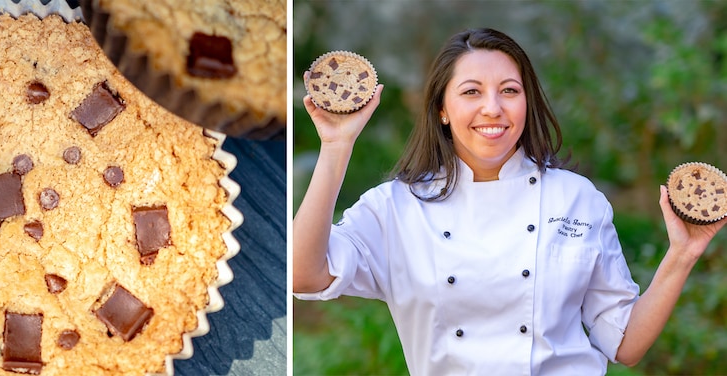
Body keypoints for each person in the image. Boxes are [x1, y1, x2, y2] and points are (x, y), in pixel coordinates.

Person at [293, 28, 726, 375]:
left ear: (526, 101)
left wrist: (682, 254)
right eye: (471, 92)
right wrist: (336, 146)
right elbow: (303, 275)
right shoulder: (397, 208)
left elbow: (625, 344)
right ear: (442, 109)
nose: (493, 108)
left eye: (509, 90)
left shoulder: (576, 199)